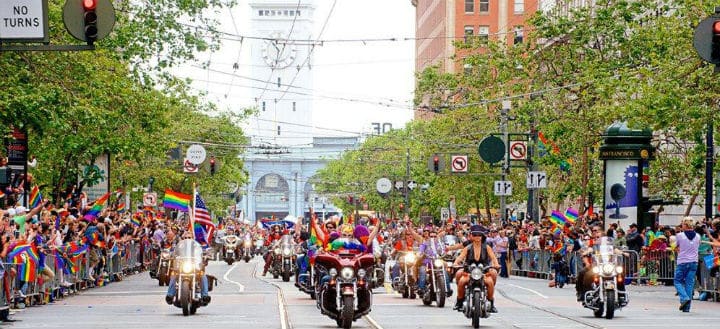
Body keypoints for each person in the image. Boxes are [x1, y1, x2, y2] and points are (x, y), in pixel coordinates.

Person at [453, 225, 500, 313]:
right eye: (475, 235)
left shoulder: (487, 247)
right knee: (462, 281)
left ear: (482, 237)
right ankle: (459, 301)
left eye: (479, 235)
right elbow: (460, 257)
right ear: (472, 236)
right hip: (469, 271)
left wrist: (496, 264)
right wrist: (456, 263)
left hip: (484, 271)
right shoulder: (467, 247)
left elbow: (493, 258)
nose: (477, 237)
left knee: (490, 282)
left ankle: (491, 303)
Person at [165, 231, 211, 305]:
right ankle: (170, 295)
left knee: (203, 275)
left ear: (192, 238)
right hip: (182, 266)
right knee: (173, 275)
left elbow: (203, 252)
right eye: (186, 237)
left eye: (189, 237)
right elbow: (173, 253)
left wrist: (206, 255)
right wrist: (169, 256)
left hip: (194, 267)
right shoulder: (179, 246)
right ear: (183, 238)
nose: (187, 239)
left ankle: (205, 295)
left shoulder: (197, 246)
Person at [674, 217, 700, 312]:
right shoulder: (698, 236)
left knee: (677, 281)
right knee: (689, 284)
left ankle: (684, 298)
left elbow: (676, 246)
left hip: (683, 262)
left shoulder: (680, 235)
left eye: (682, 224)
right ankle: (687, 307)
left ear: (685, 225)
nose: (681, 226)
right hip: (694, 262)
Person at [417, 227, 452, 297]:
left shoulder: (440, 244)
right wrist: (419, 253)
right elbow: (420, 250)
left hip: (437, 262)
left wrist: (448, 252)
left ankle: (448, 289)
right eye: (431, 236)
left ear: (437, 236)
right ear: (429, 236)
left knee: (444, 271)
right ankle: (421, 288)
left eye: (435, 236)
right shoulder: (425, 243)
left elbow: (445, 249)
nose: (433, 237)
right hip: (427, 262)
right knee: (422, 270)